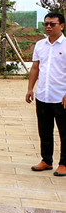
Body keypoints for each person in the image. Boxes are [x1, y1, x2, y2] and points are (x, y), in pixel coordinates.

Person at [26, 12, 66, 177]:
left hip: (61, 97)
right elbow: (35, 68)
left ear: (62, 26)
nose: (48, 26)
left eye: (53, 24)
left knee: (64, 131)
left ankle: (64, 163)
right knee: (44, 130)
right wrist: (30, 88)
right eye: (46, 23)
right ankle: (46, 160)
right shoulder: (40, 45)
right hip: (43, 95)